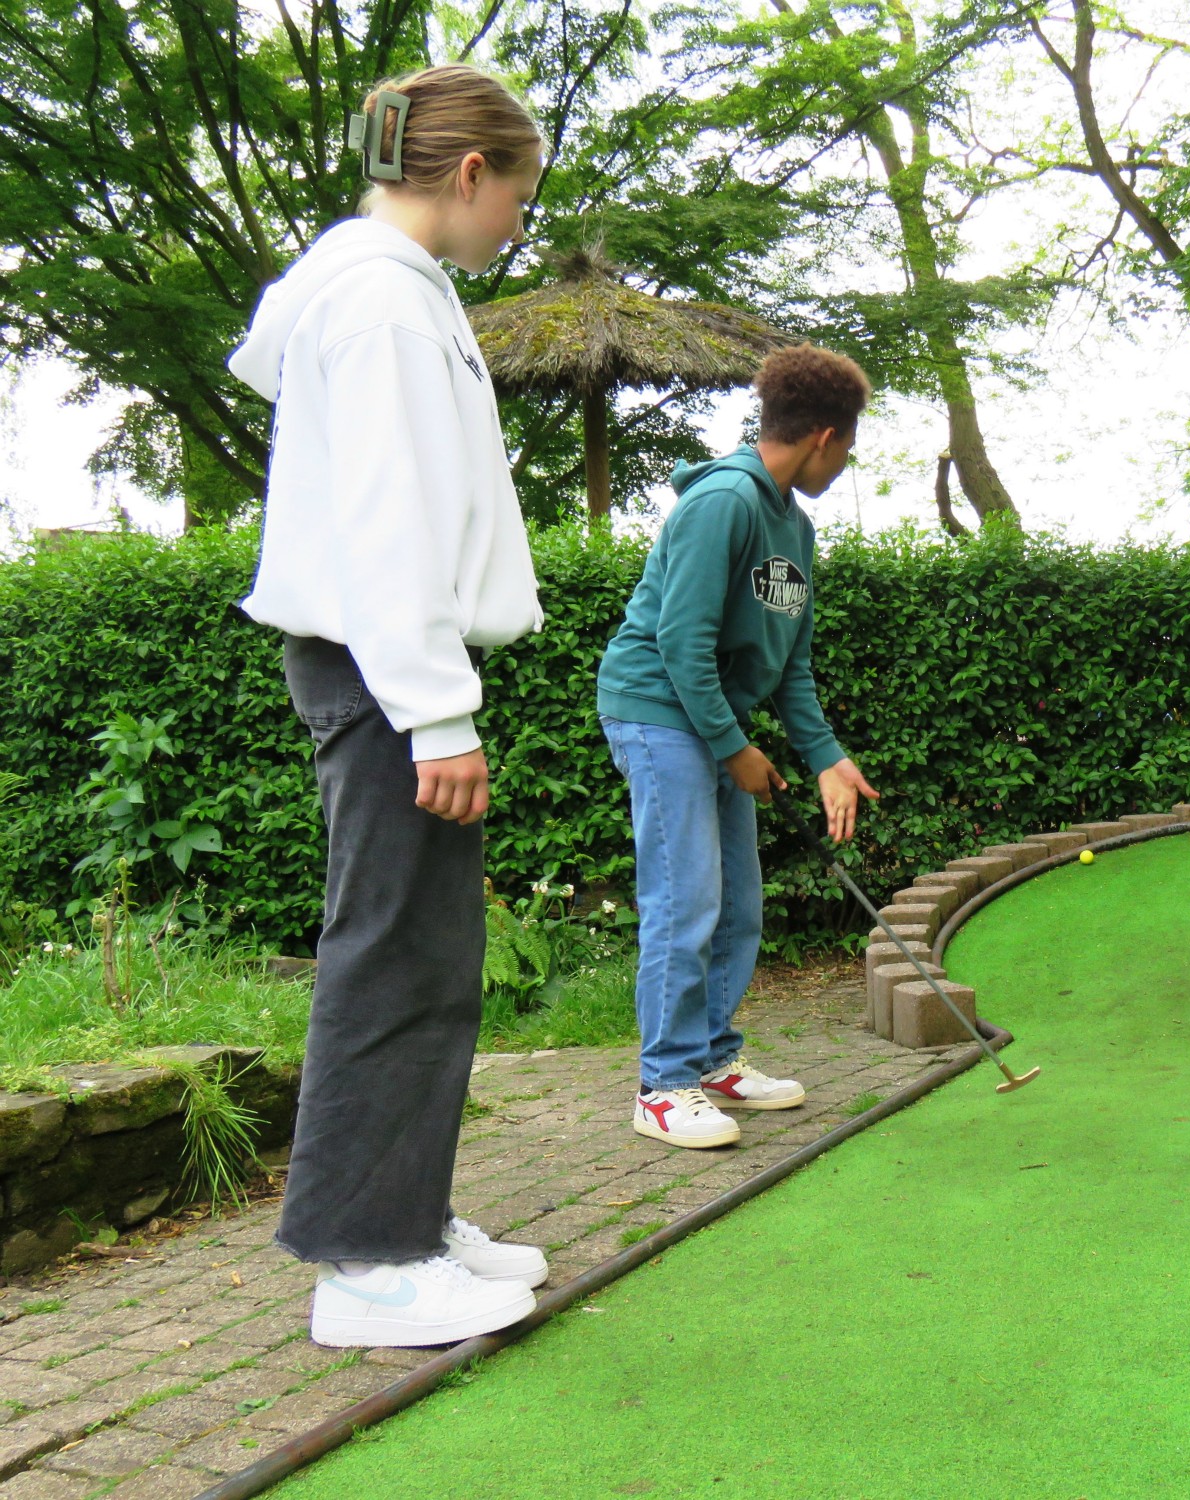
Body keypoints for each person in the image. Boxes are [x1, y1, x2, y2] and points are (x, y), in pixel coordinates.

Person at [228, 64, 553, 1345]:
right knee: (395, 952)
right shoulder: (381, 305)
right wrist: (436, 709)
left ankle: (405, 1219)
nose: (518, 226)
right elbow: (388, 521)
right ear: (466, 175)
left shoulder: (370, 286)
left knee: (427, 950)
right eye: (516, 200)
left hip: (378, 668)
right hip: (383, 672)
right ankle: (363, 1263)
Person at [597, 345, 880, 1150]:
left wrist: (826, 755)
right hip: (657, 710)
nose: (846, 460)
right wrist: (733, 749)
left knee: (736, 903)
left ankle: (713, 1060)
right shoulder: (723, 503)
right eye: (850, 445)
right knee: (684, 899)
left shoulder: (795, 525)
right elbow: (682, 642)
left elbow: (789, 663)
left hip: (709, 718)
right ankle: (663, 1085)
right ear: (825, 435)